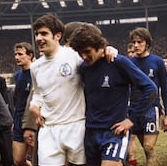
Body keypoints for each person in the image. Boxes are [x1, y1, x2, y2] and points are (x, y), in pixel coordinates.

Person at [68, 22, 157, 166]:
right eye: (80, 53)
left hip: (114, 132)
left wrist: (131, 119)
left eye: (87, 51)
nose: (83, 56)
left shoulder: (118, 62)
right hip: (90, 132)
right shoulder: (83, 68)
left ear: (99, 46)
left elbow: (150, 89)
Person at [29, 15, 87, 166]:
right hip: (49, 129)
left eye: (43, 33)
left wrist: (109, 49)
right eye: (36, 34)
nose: (38, 38)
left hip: (76, 126)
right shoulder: (35, 67)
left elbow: (97, 62)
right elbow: (38, 92)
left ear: (57, 36)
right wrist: (34, 105)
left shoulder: (74, 56)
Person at [128, 27, 167, 166]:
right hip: (134, 109)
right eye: (134, 42)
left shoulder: (157, 61)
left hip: (151, 109)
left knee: (149, 147)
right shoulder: (129, 63)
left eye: (139, 42)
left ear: (147, 43)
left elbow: (164, 88)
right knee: (143, 149)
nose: (136, 45)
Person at [12, 42, 34, 166]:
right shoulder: (18, 75)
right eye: (15, 54)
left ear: (30, 55)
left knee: (38, 159)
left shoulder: (36, 73)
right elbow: (17, 100)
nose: (17, 57)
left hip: (32, 122)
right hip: (18, 122)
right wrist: (14, 120)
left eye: (20, 54)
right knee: (18, 160)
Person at [126, 42, 138, 166]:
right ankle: (132, 161)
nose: (130, 54)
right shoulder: (124, 67)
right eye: (129, 52)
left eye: (132, 52)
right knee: (131, 138)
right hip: (128, 107)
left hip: (143, 108)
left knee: (148, 145)